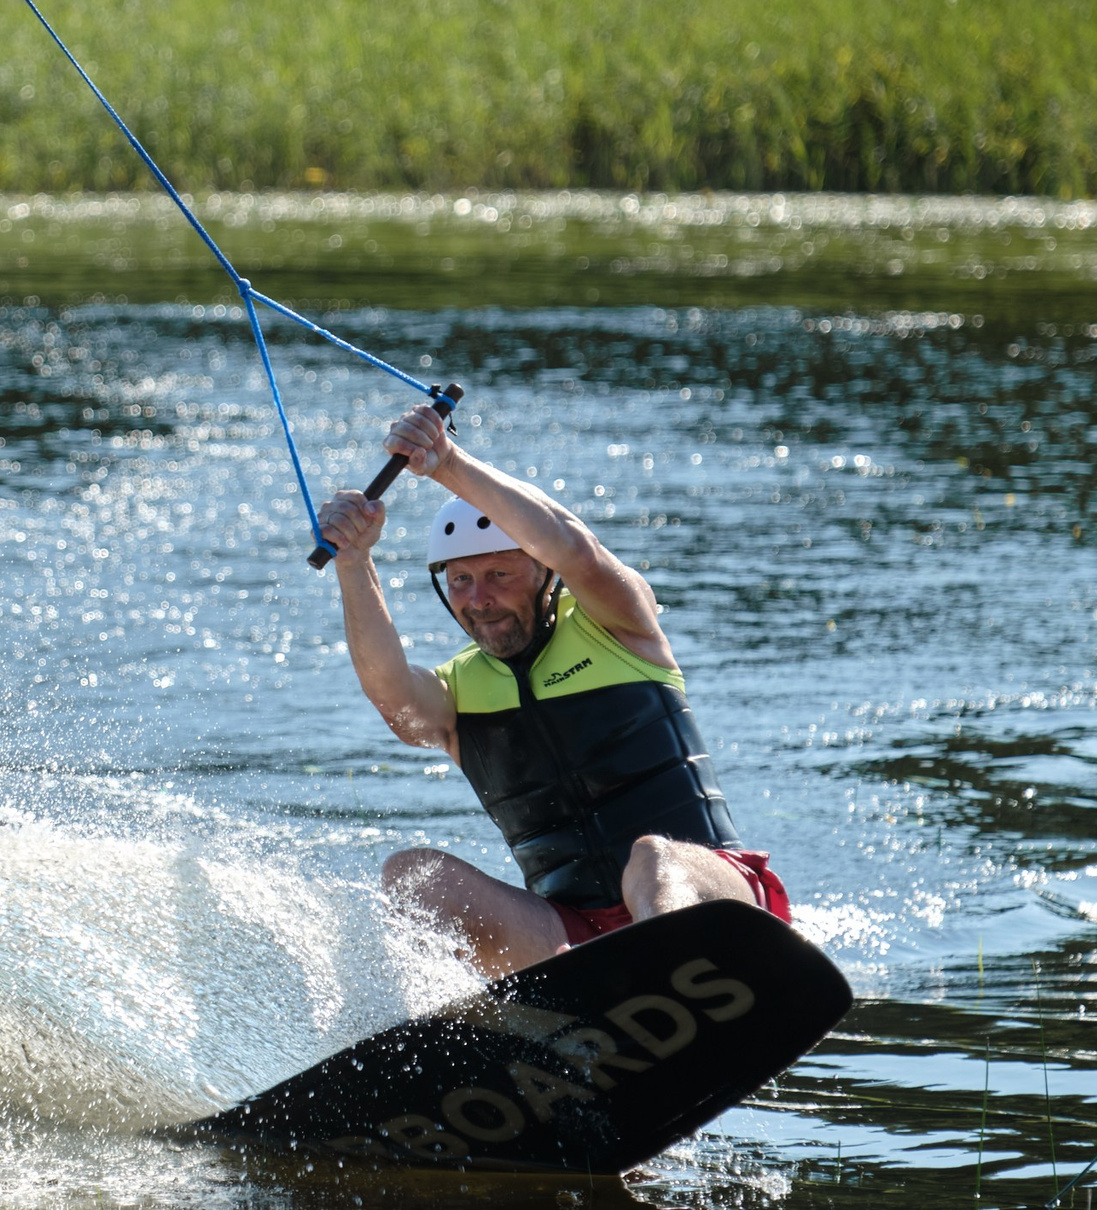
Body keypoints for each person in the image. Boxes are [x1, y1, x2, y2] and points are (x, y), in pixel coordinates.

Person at [318, 401, 790, 979]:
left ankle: (672, 974)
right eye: (461, 581)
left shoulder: (618, 625)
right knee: (414, 875)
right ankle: (508, 1028)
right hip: (572, 939)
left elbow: (576, 549)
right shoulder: (459, 689)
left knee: (653, 859)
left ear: (542, 575)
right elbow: (392, 695)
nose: (478, 597)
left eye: (499, 575)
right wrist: (354, 561)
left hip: (714, 903)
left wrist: (446, 463)